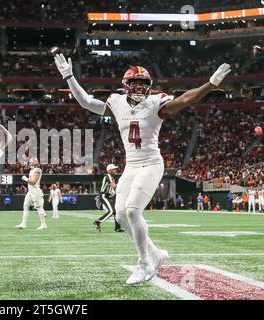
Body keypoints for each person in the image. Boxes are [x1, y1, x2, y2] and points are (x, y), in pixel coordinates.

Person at [54, 51, 230, 285]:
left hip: (151, 163)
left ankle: (145, 264)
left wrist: (210, 84)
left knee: (133, 211)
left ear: (149, 87)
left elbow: (185, 99)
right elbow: (86, 102)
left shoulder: (157, 103)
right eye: (134, 83)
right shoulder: (116, 102)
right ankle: (155, 254)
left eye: (143, 84)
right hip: (132, 166)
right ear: (126, 85)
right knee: (120, 215)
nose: (139, 88)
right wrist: (69, 77)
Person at [14, 157, 47, 230]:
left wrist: (25, 179)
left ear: (35, 163)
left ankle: (43, 224)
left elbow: (33, 182)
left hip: (35, 191)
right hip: (31, 191)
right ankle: (23, 224)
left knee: (38, 207)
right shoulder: (32, 170)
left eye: (31, 162)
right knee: (25, 205)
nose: (30, 164)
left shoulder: (37, 170)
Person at [93, 164, 124, 232]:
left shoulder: (111, 177)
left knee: (116, 211)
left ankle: (117, 228)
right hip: (104, 195)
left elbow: (112, 189)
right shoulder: (108, 176)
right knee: (111, 211)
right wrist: (121, 182)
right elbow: (113, 186)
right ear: (109, 171)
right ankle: (98, 222)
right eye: (114, 169)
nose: (115, 170)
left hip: (108, 196)